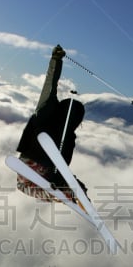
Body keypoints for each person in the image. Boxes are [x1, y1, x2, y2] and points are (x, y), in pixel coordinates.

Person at [16, 44, 86, 200]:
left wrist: (56, 60)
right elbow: (62, 166)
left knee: (22, 185)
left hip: (28, 164)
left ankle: (65, 191)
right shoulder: (69, 137)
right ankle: (68, 191)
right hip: (45, 171)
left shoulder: (46, 110)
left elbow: (50, 85)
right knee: (49, 181)